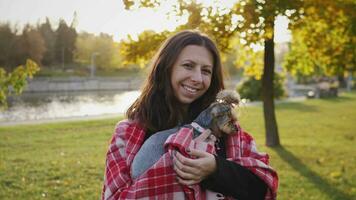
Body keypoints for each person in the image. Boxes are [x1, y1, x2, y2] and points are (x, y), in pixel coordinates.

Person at [102, 30, 278, 200]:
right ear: (166, 68)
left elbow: (262, 189)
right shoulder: (128, 133)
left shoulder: (224, 128)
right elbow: (114, 196)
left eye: (206, 71)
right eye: (188, 66)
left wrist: (216, 169)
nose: (198, 78)